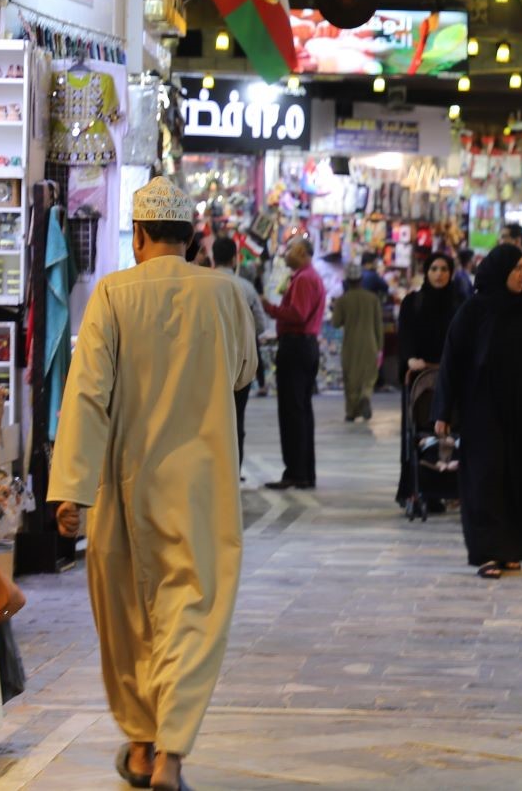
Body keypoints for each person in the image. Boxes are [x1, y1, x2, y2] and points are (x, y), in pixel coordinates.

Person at [50, 178, 257, 791]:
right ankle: (169, 755)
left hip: (125, 481)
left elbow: (87, 394)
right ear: (190, 239)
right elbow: (243, 371)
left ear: (138, 235)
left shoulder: (113, 295)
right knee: (195, 613)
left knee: (128, 617)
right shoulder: (226, 293)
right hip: (205, 485)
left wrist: (72, 489)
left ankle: (141, 742)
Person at [435, 244, 522, 579]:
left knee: (518, 478)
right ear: (500, 271)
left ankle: (511, 549)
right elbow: (452, 362)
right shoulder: (474, 311)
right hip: (481, 409)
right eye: (516, 269)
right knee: (485, 477)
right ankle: (487, 551)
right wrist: (442, 411)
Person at [395, 253, 466, 509]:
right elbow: (406, 336)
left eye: (444, 269)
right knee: (420, 430)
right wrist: (411, 360)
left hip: (452, 377)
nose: (439, 274)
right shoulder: (413, 302)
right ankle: (420, 487)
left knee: (454, 430)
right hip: (422, 381)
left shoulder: (460, 302)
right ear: (426, 272)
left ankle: (452, 488)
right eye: (434, 269)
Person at [262, 236, 325, 490]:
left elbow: (298, 314)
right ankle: (303, 472)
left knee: (293, 411)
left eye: (289, 249)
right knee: (300, 410)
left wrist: (270, 309)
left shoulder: (304, 278)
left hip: (297, 346)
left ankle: (297, 472)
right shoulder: (307, 277)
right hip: (303, 347)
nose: (285, 253)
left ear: (301, 251)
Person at [212, 237, 272, 460]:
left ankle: (213, 473)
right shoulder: (246, 288)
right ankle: (233, 472)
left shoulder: (200, 285)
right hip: (240, 362)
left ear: (213, 257)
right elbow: (261, 325)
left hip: (209, 361)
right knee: (237, 417)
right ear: (234, 259)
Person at [331, 273, 383, 424]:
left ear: (348, 281)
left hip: (350, 344)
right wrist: (380, 346)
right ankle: (366, 395)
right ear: (361, 281)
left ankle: (351, 412)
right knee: (368, 376)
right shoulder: (373, 298)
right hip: (370, 342)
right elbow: (378, 324)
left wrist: (336, 308)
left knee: (351, 378)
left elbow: (335, 323)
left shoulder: (343, 300)